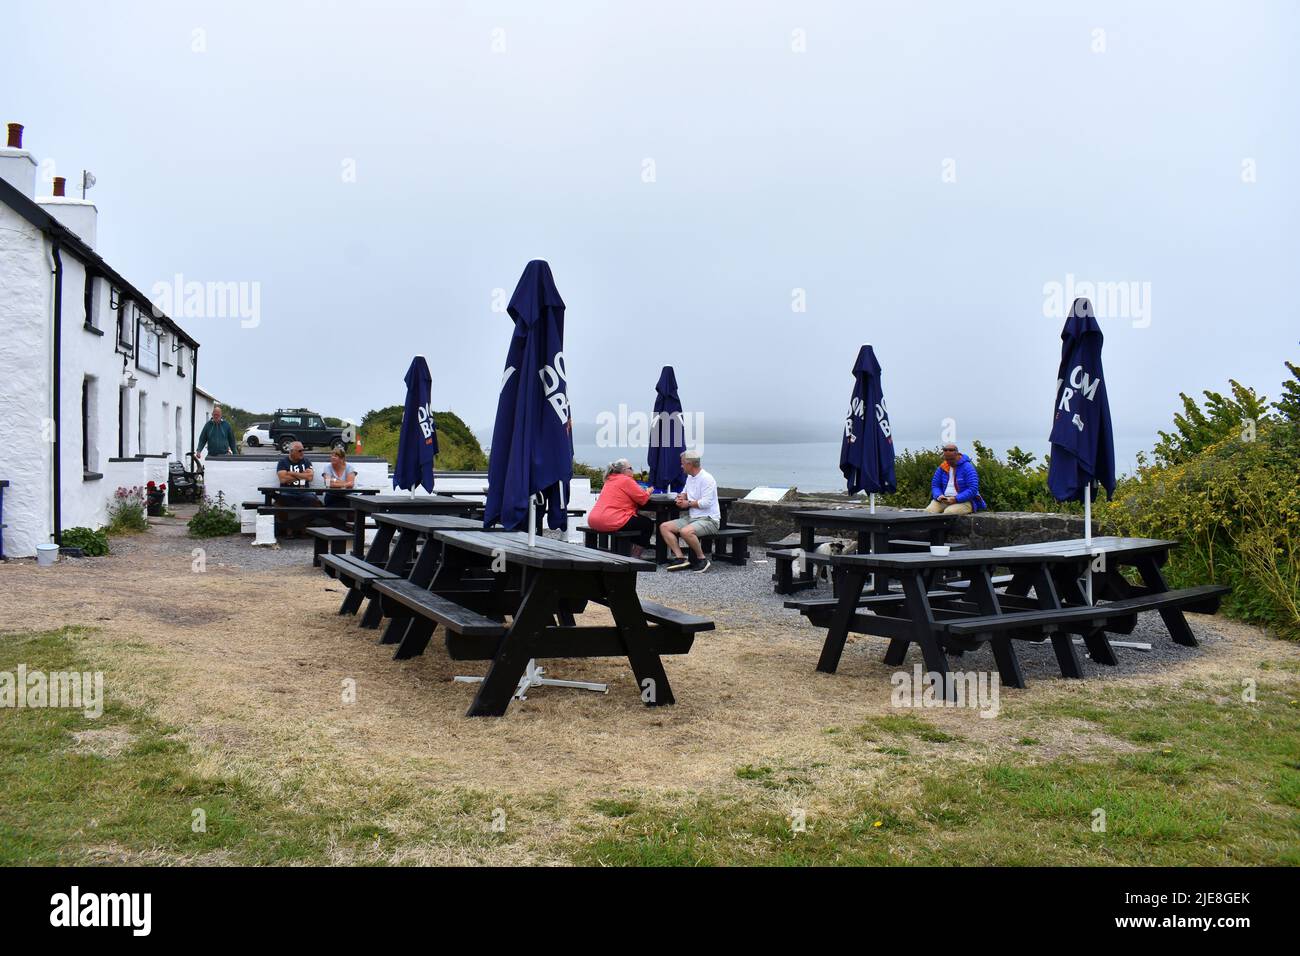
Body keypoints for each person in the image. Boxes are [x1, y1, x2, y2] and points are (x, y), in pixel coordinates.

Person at [659, 450, 719, 573]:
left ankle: (702, 559)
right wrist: (681, 497)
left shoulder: (707, 478)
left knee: (685, 531)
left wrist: (688, 503)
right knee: (664, 527)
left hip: (709, 519)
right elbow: (685, 493)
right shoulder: (690, 478)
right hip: (693, 518)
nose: (681, 466)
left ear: (689, 464)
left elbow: (706, 503)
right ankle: (681, 558)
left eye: (682, 464)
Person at [587, 458, 654, 558]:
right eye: (630, 468)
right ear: (624, 471)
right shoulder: (626, 480)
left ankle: (626, 551)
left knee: (635, 522)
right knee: (647, 524)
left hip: (594, 519)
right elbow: (643, 499)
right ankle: (635, 557)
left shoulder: (609, 479)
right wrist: (648, 491)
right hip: (610, 519)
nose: (633, 470)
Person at [926, 443, 986, 514]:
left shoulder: (968, 467)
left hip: (965, 501)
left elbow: (973, 489)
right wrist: (939, 496)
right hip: (944, 499)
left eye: (951, 459)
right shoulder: (943, 467)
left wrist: (956, 499)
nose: (949, 461)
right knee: (929, 511)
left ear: (958, 455)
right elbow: (935, 485)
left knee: (949, 512)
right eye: (947, 459)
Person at [275, 441, 319, 537]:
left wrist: (293, 473)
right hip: (287, 492)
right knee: (280, 503)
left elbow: (310, 478)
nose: (302, 452)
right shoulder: (283, 462)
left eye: (303, 450)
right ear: (291, 451)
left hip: (304, 492)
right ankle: (289, 527)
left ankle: (301, 526)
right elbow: (283, 479)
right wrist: (303, 475)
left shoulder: (306, 461)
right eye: (299, 451)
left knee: (316, 503)